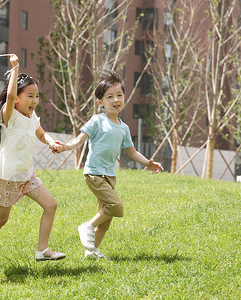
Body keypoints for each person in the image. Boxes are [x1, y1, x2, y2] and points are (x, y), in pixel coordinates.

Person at [54, 70, 164, 260]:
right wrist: (65, 147)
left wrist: (148, 163)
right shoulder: (97, 121)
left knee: (106, 217)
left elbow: (132, 152)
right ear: (100, 102)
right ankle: (87, 227)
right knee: (116, 206)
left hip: (109, 176)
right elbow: (80, 140)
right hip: (94, 173)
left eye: (119, 95)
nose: (116, 100)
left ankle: (92, 251)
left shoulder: (123, 127)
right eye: (110, 97)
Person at [0, 54, 66, 269]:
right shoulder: (9, 116)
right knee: (1, 219)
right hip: (8, 177)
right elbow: (8, 97)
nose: (35, 100)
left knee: (51, 204)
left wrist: (51, 142)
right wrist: (15, 68)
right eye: (30, 96)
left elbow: (42, 134)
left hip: (27, 175)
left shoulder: (31, 117)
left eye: (37, 96)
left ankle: (42, 250)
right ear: (17, 97)